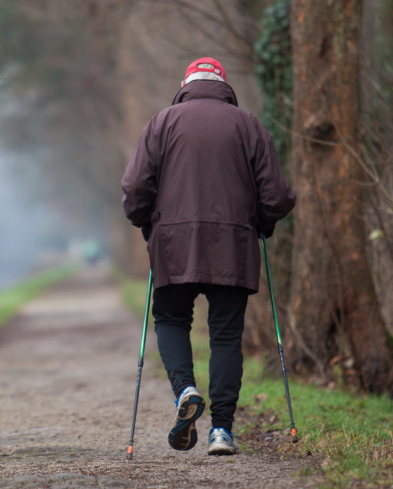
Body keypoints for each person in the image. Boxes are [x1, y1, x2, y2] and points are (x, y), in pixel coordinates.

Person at [120, 58, 296, 455]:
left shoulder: (161, 123)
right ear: (224, 85)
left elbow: (134, 189)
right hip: (233, 246)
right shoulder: (248, 124)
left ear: (185, 83)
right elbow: (277, 195)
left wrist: (147, 222)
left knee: (170, 318)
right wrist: (262, 222)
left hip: (173, 245)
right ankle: (221, 432)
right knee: (226, 337)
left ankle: (185, 390)